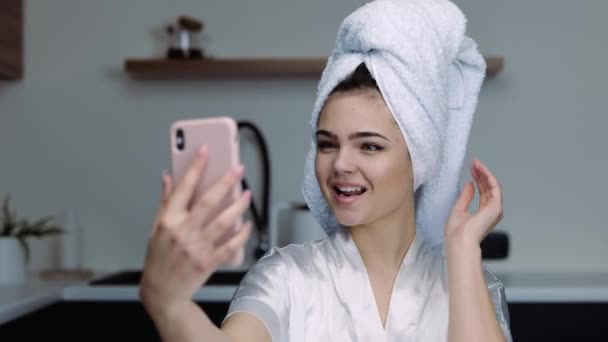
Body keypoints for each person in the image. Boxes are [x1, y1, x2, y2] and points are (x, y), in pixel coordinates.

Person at [140, 0, 512, 341]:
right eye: (328, 144)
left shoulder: (470, 284)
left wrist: (463, 250)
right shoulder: (285, 278)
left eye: (369, 146)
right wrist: (168, 305)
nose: (340, 165)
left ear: (421, 160)